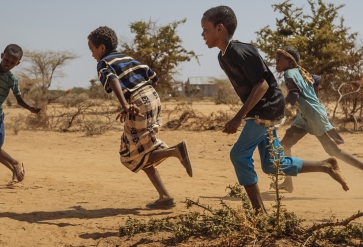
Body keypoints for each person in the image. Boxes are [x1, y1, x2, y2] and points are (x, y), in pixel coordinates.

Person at [201, 6, 349, 214]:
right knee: (272, 164)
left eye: (205, 30)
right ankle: (326, 165)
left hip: (267, 109)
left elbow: (261, 85)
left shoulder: (239, 50)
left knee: (239, 155)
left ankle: (259, 212)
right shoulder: (223, 56)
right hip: (264, 109)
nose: (202, 35)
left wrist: (238, 117)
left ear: (220, 28)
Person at [87, 26, 193, 209]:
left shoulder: (104, 63)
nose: (92, 54)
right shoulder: (127, 58)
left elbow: (112, 80)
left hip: (137, 103)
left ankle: (175, 151)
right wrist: (132, 102)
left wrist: (126, 104)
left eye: (92, 50)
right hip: (152, 98)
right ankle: (164, 196)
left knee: (129, 155)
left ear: (102, 48)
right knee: (141, 150)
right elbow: (153, 78)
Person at [275, 46, 363, 193]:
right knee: (285, 145)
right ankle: (288, 181)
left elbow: (294, 93)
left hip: (314, 115)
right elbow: (317, 79)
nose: (276, 63)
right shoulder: (301, 72)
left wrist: (281, 107)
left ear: (290, 61)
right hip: (305, 116)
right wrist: (312, 98)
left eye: (279, 60)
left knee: (334, 151)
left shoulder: (289, 73)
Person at [0, 44, 41, 186]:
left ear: (17, 63)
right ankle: (16, 168)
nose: (8, 64)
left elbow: (19, 99)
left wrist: (30, 108)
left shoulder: (12, 79)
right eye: (6, 60)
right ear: (1, 56)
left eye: (13, 62)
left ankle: (15, 164)